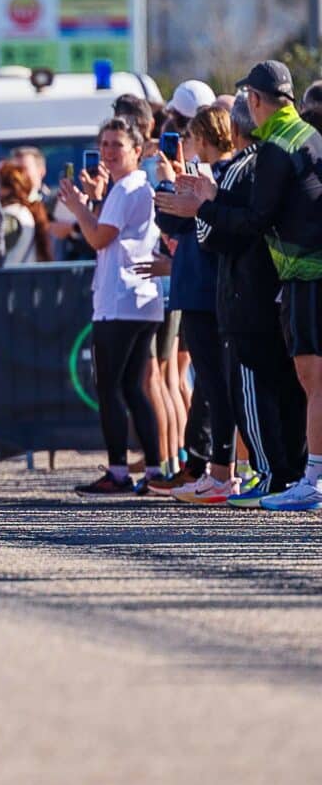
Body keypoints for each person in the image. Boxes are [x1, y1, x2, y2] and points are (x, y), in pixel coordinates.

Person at [171, 60, 322, 510]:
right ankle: (308, 473)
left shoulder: (275, 144)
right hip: (304, 272)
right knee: (308, 381)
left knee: (311, 379)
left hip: (304, 273)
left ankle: (310, 476)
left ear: (255, 100)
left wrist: (204, 205)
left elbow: (256, 220)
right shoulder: (309, 134)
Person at [59, 117, 164, 494]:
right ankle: (154, 468)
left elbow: (99, 237)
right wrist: (92, 204)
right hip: (140, 297)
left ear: (137, 150)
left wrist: (77, 207)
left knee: (111, 387)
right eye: (104, 144)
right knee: (133, 388)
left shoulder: (128, 187)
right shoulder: (133, 186)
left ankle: (120, 470)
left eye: (117, 145)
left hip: (119, 300)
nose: (108, 152)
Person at [152, 105, 241, 503]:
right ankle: (216, 470)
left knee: (215, 386)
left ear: (202, 138)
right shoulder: (207, 175)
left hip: (211, 294)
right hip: (197, 291)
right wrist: (168, 186)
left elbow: (185, 220)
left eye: (188, 137)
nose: (185, 145)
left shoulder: (217, 175)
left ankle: (223, 472)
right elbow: (173, 222)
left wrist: (172, 185)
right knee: (209, 383)